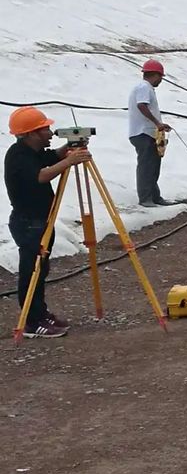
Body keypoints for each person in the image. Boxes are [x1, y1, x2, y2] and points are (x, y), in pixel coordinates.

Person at [5, 107, 90, 338]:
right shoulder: (18, 156)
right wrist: (70, 161)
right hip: (28, 223)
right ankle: (32, 322)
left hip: (41, 221)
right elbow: (41, 175)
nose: (50, 133)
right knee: (32, 271)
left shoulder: (33, 151)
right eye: (45, 129)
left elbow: (52, 158)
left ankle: (40, 313)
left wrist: (68, 151)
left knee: (40, 270)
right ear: (31, 133)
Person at [128, 58, 174, 207]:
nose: (160, 80)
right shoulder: (144, 87)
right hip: (142, 133)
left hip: (148, 133)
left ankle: (155, 197)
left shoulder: (145, 88)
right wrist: (157, 123)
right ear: (155, 74)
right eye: (160, 77)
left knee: (153, 166)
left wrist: (159, 126)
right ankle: (145, 198)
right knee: (146, 167)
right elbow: (142, 106)